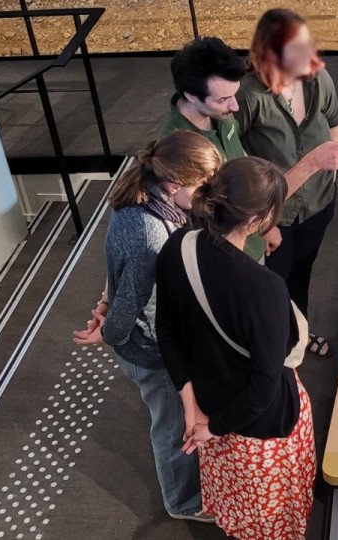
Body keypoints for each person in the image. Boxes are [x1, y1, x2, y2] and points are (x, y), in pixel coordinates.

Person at [155, 157, 316, 540]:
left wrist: (193, 411)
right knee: (273, 518)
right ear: (255, 221)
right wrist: (212, 429)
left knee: (238, 509)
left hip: (208, 410)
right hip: (258, 428)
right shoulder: (264, 288)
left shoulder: (178, 246)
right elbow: (264, 387)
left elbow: (166, 330)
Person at [72, 130, 222, 522]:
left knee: (169, 416)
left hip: (149, 338)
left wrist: (102, 304)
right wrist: (105, 334)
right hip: (153, 351)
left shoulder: (136, 196)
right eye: (202, 185)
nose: (210, 193)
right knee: (173, 430)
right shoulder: (151, 237)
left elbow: (114, 272)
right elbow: (129, 304)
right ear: (174, 185)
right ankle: (183, 502)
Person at [164, 36, 338, 263]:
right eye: (224, 98)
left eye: (234, 94)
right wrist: (312, 164)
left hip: (254, 239)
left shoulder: (219, 113)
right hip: (229, 259)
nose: (234, 106)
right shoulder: (178, 150)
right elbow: (227, 209)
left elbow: (243, 164)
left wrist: (264, 224)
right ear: (192, 96)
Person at [236, 9, 338, 357]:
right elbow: (233, 159)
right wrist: (263, 218)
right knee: (273, 285)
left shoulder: (318, 80)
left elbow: (333, 120)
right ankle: (276, 349)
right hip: (274, 219)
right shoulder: (247, 96)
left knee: (303, 272)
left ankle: (298, 333)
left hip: (317, 204)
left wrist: (331, 172)